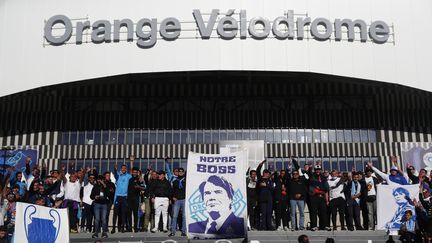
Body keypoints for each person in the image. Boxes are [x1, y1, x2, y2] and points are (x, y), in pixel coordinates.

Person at [112, 156, 133, 233]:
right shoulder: (118, 175)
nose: (123, 169)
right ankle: (114, 228)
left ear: (126, 169)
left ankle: (123, 228)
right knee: (115, 213)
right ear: (121, 169)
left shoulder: (128, 176)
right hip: (118, 197)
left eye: (124, 168)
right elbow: (115, 173)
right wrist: (115, 168)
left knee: (123, 213)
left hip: (124, 197)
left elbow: (131, 171)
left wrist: (131, 162)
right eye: (122, 168)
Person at [308, 162, 330, 231]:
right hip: (314, 197)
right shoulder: (312, 176)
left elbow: (326, 188)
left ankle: (324, 226)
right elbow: (311, 188)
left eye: (319, 169)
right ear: (315, 170)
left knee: (323, 212)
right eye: (316, 170)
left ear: (320, 170)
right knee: (314, 212)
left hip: (322, 197)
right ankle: (314, 226)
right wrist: (310, 167)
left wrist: (326, 200)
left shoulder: (323, 177)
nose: (318, 171)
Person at [256, 160, 274, 230]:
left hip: (269, 199)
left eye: (267, 173)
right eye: (265, 173)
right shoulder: (260, 179)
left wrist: (266, 185)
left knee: (269, 213)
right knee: (263, 213)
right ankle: (263, 226)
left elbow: (272, 188)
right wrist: (261, 164)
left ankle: (269, 226)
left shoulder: (270, 180)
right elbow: (257, 172)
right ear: (263, 173)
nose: (266, 174)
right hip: (262, 199)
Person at [169, 168, 186, 237]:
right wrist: (173, 197)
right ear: (177, 172)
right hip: (177, 200)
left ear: (183, 172)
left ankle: (183, 231)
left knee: (184, 216)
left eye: (182, 171)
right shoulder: (175, 181)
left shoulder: (186, 181)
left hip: (184, 199)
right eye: (179, 171)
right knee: (175, 216)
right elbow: (172, 190)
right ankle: (173, 231)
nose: (181, 172)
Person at [362, 165, 380, 230]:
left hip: (374, 196)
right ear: (366, 172)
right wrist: (365, 187)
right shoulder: (363, 180)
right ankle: (372, 227)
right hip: (367, 197)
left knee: (376, 212)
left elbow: (379, 186)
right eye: (367, 171)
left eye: (370, 171)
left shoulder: (375, 179)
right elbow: (361, 189)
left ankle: (377, 226)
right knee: (370, 213)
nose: (369, 172)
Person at [127, 167, 145, 232]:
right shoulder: (130, 179)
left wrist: (139, 187)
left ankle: (135, 228)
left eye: (135, 172)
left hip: (136, 198)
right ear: (132, 172)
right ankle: (129, 228)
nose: (134, 173)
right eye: (133, 172)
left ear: (137, 173)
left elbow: (143, 188)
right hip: (129, 199)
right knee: (129, 213)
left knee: (135, 214)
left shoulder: (139, 179)